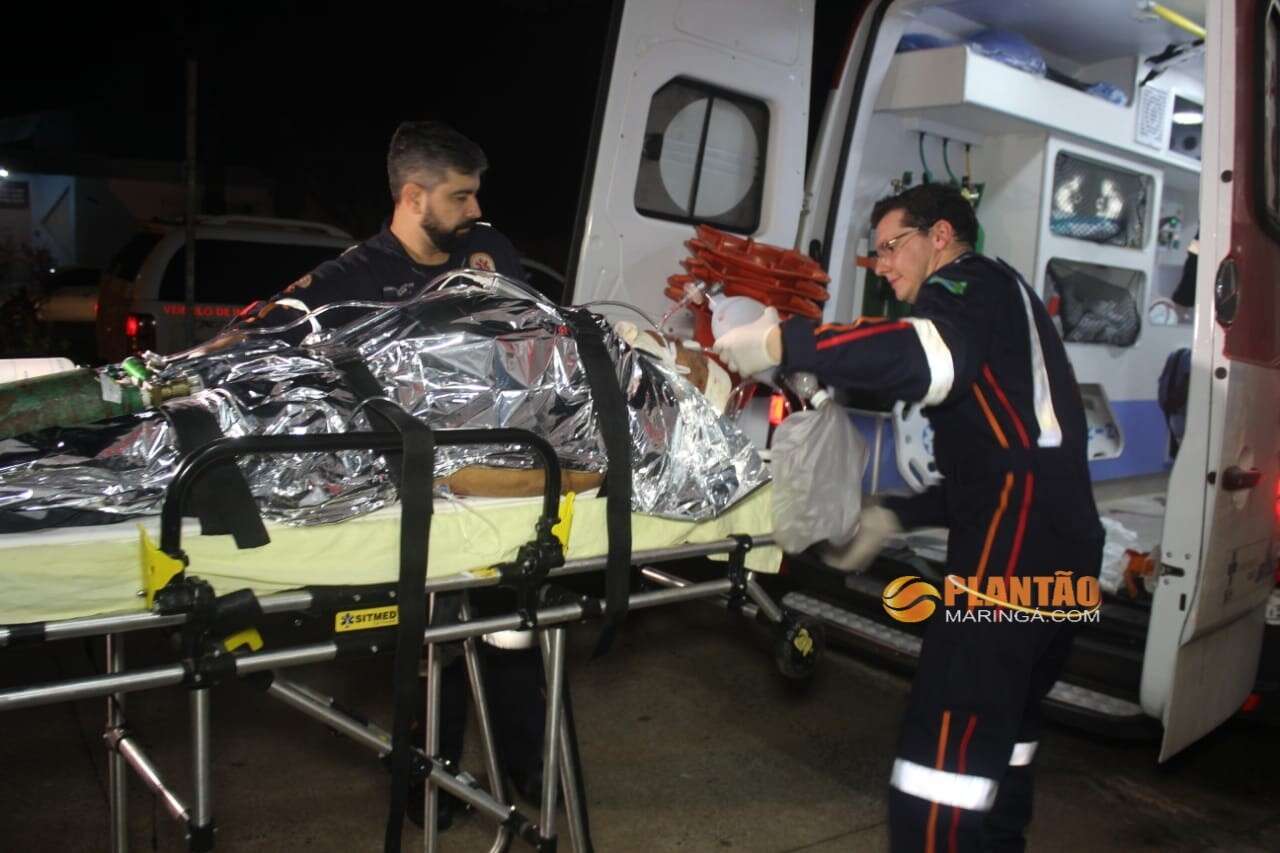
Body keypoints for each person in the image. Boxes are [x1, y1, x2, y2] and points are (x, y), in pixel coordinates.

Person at [713, 182, 1103, 852]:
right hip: (1064, 552)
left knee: (943, 760)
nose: (883, 265)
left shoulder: (965, 284)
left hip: (1013, 557)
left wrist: (784, 341)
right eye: (877, 254)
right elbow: (1003, 461)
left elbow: (926, 356)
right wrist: (897, 514)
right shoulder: (1006, 298)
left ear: (941, 236)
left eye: (892, 247)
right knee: (1003, 732)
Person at [251, 121, 545, 831]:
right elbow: (263, 353)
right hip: (413, 497)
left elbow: (539, 337)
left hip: (496, 481)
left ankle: (528, 767)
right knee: (431, 650)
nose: (476, 209)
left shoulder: (489, 252)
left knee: (516, 633)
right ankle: (431, 781)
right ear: (414, 197)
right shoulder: (347, 282)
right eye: (460, 196)